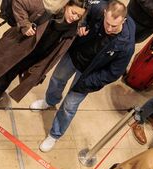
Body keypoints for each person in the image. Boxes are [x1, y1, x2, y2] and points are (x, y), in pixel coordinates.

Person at [29, 0, 136, 152]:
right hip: (74, 55)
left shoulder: (126, 45)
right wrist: (82, 24)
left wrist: (89, 83)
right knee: (57, 79)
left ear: (123, 21)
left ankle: (54, 134)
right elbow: (84, 13)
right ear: (104, 13)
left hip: (90, 74)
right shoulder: (97, 8)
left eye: (114, 26)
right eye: (107, 23)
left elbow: (113, 73)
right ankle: (50, 101)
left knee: (69, 106)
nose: (109, 28)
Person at [0, 0, 87, 103]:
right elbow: (19, 2)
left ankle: (0, 88)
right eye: (73, 12)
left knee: (13, 71)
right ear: (65, 5)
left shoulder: (74, 28)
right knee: (1, 62)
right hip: (20, 44)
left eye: (79, 16)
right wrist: (24, 24)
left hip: (35, 55)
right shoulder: (48, 8)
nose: (74, 17)